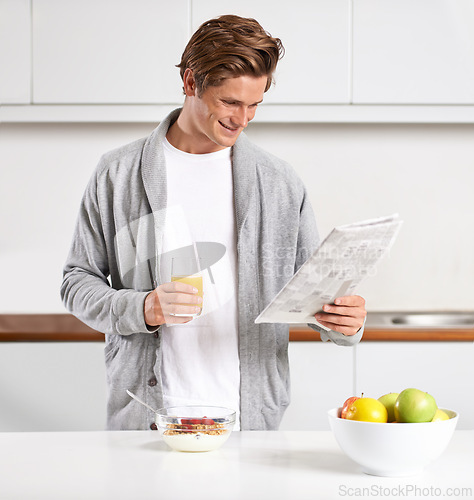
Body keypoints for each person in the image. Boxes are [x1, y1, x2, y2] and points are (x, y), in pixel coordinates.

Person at [61, 15, 366, 431]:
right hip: (149, 416)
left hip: (250, 420)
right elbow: (77, 281)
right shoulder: (119, 174)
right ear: (191, 82)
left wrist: (343, 322)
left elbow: (310, 295)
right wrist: (143, 307)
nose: (243, 119)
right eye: (230, 102)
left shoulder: (278, 182)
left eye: (255, 104)